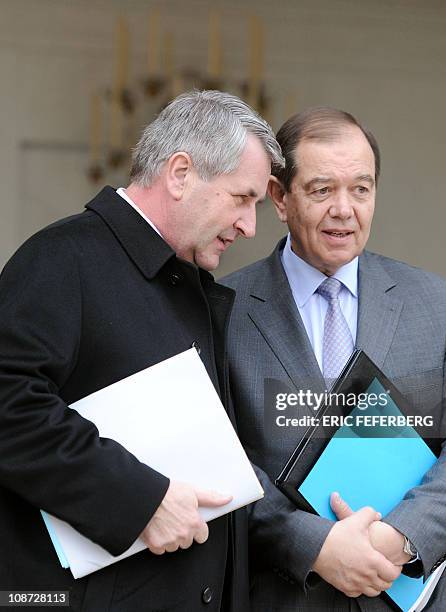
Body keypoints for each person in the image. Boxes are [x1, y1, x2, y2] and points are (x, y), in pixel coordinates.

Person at [0, 90, 283, 611]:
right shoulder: (61, 257)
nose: (250, 226)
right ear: (180, 174)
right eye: (243, 198)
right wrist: (140, 500)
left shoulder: (190, 282)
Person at [221, 107, 446, 611]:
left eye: (361, 188)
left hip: (406, 590)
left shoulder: (432, 303)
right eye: (321, 190)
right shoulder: (222, 310)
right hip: (285, 596)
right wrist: (316, 546)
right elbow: (216, 463)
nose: (344, 209)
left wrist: (399, 537)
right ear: (279, 197)